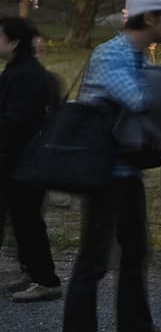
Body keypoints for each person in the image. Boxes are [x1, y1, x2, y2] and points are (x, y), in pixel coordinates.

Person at [63, 0, 161, 332]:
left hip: (125, 171)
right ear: (148, 18)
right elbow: (140, 100)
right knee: (95, 260)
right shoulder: (110, 55)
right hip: (102, 173)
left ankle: (135, 324)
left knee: (135, 253)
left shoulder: (136, 55)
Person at [0, 17, 63, 302]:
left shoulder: (24, 75)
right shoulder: (21, 71)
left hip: (21, 161)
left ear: (13, 42)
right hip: (23, 160)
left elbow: (16, 120)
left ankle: (45, 279)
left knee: (27, 221)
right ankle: (34, 272)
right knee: (24, 220)